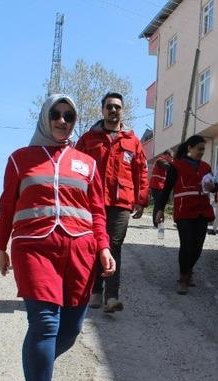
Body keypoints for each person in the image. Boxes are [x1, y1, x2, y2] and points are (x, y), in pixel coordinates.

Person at [0, 94, 115, 381]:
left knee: (71, 330)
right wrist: (0, 246)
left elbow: (98, 212)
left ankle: (36, 370)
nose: (63, 121)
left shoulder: (86, 164)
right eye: (57, 115)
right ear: (46, 118)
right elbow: (7, 207)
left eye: (70, 116)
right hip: (35, 249)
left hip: (80, 252)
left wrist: (104, 247)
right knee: (45, 322)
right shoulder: (21, 159)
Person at [75, 92, 148, 313]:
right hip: (92, 201)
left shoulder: (132, 141)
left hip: (121, 202)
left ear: (122, 111)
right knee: (95, 245)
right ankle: (95, 291)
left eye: (117, 106)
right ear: (103, 110)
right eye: (109, 106)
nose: (113, 110)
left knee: (114, 246)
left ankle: (111, 297)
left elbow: (141, 171)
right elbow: (76, 168)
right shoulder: (88, 139)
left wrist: (141, 200)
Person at [153, 135, 216, 294]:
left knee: (198, 247)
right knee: (187, 245)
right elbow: (166, 189)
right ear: (189, 148)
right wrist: (160, 209)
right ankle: (183, 277)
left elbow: (213, 187)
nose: (202, 152)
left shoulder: (206, 167)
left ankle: (189, 270)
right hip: (184, 211)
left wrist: (213, 187)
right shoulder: (176, 166)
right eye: (199, 149)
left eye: (203, 149)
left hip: (202, 210)